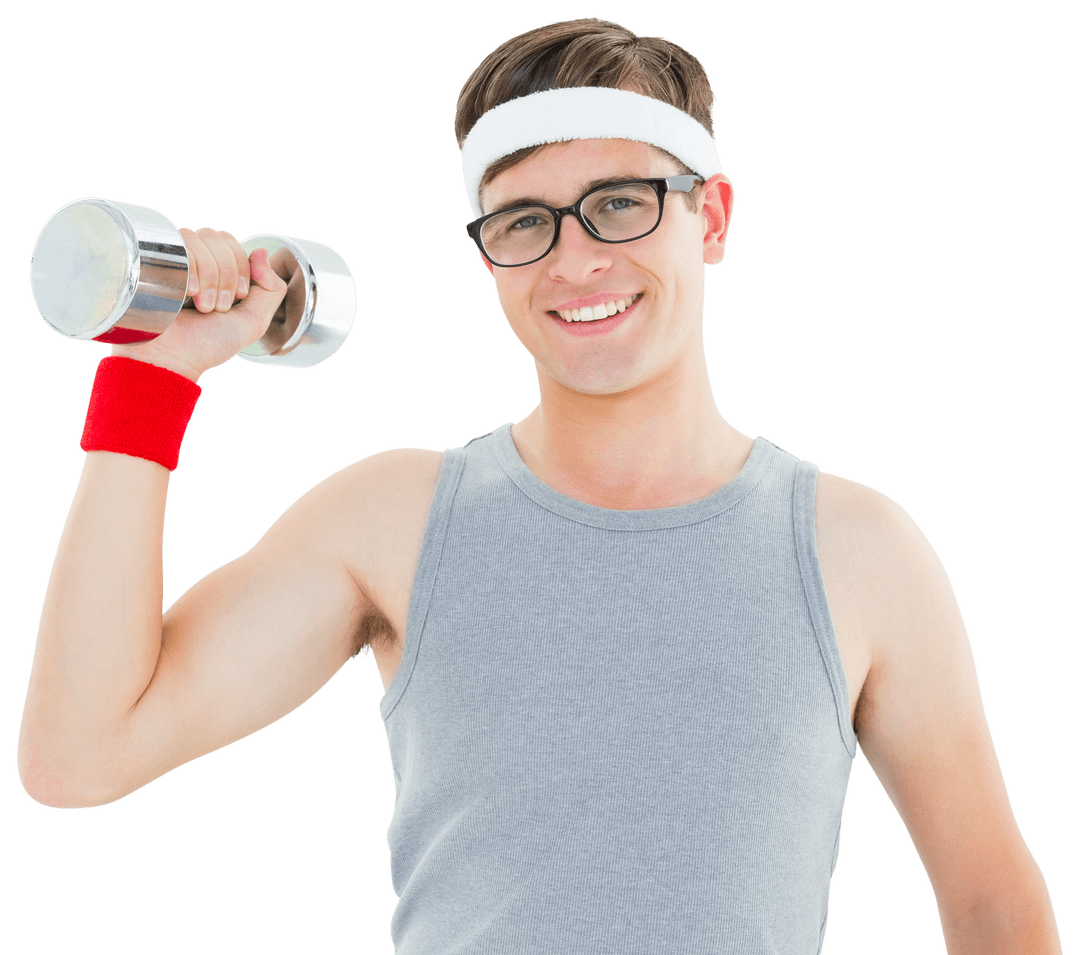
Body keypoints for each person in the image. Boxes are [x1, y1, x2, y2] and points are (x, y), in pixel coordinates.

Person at [17, 17, 1062, 955]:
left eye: (619, 203)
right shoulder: (392, 519)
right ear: (487, 255)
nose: (573, 261)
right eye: (524, 221)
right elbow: (79, 756)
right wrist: (153, 378)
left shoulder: (858, 547)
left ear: (711, 219)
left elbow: (993, 910)